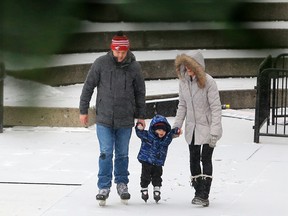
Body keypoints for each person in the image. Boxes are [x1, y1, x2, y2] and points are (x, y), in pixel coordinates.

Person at [79, 31, 146, 203]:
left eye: (123, 52)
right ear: (112, 49)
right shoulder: (101, 63)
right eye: (117, 52)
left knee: (122, 154)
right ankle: (104, 185)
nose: (120, 56)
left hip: (125, 119)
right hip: (104, 118)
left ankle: (122, 183)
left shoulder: (134, 67)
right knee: (106, 152)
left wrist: (141, 116)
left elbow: (140, 92)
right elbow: (88, 87)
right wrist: (83, 110)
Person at [173, 51, 222, 207]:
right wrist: (177, 126)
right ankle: (198, 190)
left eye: (191, 66)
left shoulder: (209, 82)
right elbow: (182, 105)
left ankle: (205, 193)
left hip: (208, 127)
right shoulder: (183, 82)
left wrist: (215, 131)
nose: (188, 69)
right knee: (193, 158)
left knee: (205, 158)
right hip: (192, 127)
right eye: (186, 66)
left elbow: (216, 108)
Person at [135, 114, 180, 203]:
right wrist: (139, 126)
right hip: (146, 160)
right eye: (159, 130)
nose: (161, 132)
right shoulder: (148, 135)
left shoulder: (166, 139)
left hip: (158, 162)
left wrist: (176, 131)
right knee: (145, 176)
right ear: (154, 129)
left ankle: (157, 189)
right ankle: (144, 189)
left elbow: (171, 133)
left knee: (157, 176)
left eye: (163, 130)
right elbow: (139, 133)